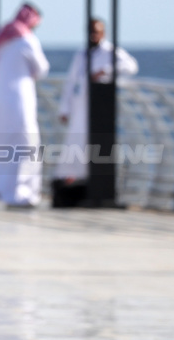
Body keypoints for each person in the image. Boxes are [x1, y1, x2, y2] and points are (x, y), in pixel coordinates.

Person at [52, 17, 139, 206]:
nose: (94, 35)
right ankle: (70, 184)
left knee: (95, 147)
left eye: (97, 31)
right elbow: (71, 82)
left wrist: (105, 70)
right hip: (80, 107)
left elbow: (131, 66)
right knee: (75, 146)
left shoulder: (111, 51)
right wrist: (64, 108)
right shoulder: (81, 54)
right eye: (91, 31)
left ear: (104, 33)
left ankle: (95, 187)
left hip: (100, 107)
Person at [0, 2, 50, 209]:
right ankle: (23, 193)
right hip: (21, 100)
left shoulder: (2, 37)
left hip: (0, 100)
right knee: (26, 144)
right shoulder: (27, 39)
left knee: (0, 144)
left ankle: (0, 187)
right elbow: (42, 68)